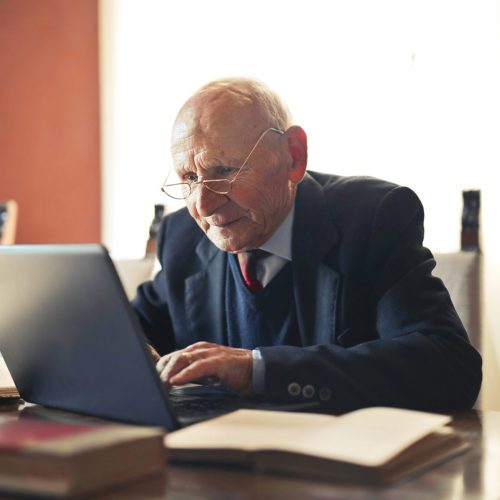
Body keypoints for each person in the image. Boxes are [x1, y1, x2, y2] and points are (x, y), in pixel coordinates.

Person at [132, 77, 482, 412]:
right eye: (190, 178)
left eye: (224, 170)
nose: (203, 205)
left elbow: (447, 366)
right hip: (213, 465)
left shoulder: (373, 219)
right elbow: (131, 326)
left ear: (294, 156)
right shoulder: (183, 238)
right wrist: (130, 353)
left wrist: (255, 369)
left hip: (339, 466)